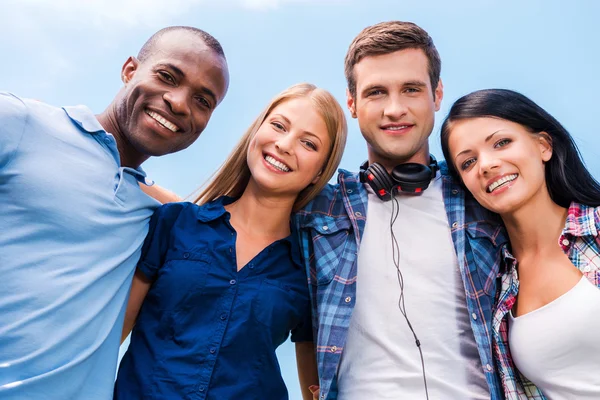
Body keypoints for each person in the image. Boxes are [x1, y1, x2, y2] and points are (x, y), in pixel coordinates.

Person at [0, 26, 229, 400]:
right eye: (167, 76)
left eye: (203, 101)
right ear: (129, 70)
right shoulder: (20, 122)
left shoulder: (159, 217)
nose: (179, 103)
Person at [297, 21, 509, 400]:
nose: (395, 109)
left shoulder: (484, 197)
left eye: (411, 89)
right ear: (353, 104)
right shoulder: (321, 208)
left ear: (437, 94)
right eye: (376, 92)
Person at [113, 83, 347, 400]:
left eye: (308, 143)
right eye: (279, 126)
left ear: (320, 171)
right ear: (257, 130)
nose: (285, 145)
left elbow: (314, 390)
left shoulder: (309, 269)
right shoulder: (175, 223)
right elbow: (114, 336)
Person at [441, 88, 600, 399]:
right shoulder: (497, 289)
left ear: (543, 146)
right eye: (468, 162)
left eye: (502, 143)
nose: (486, 165)